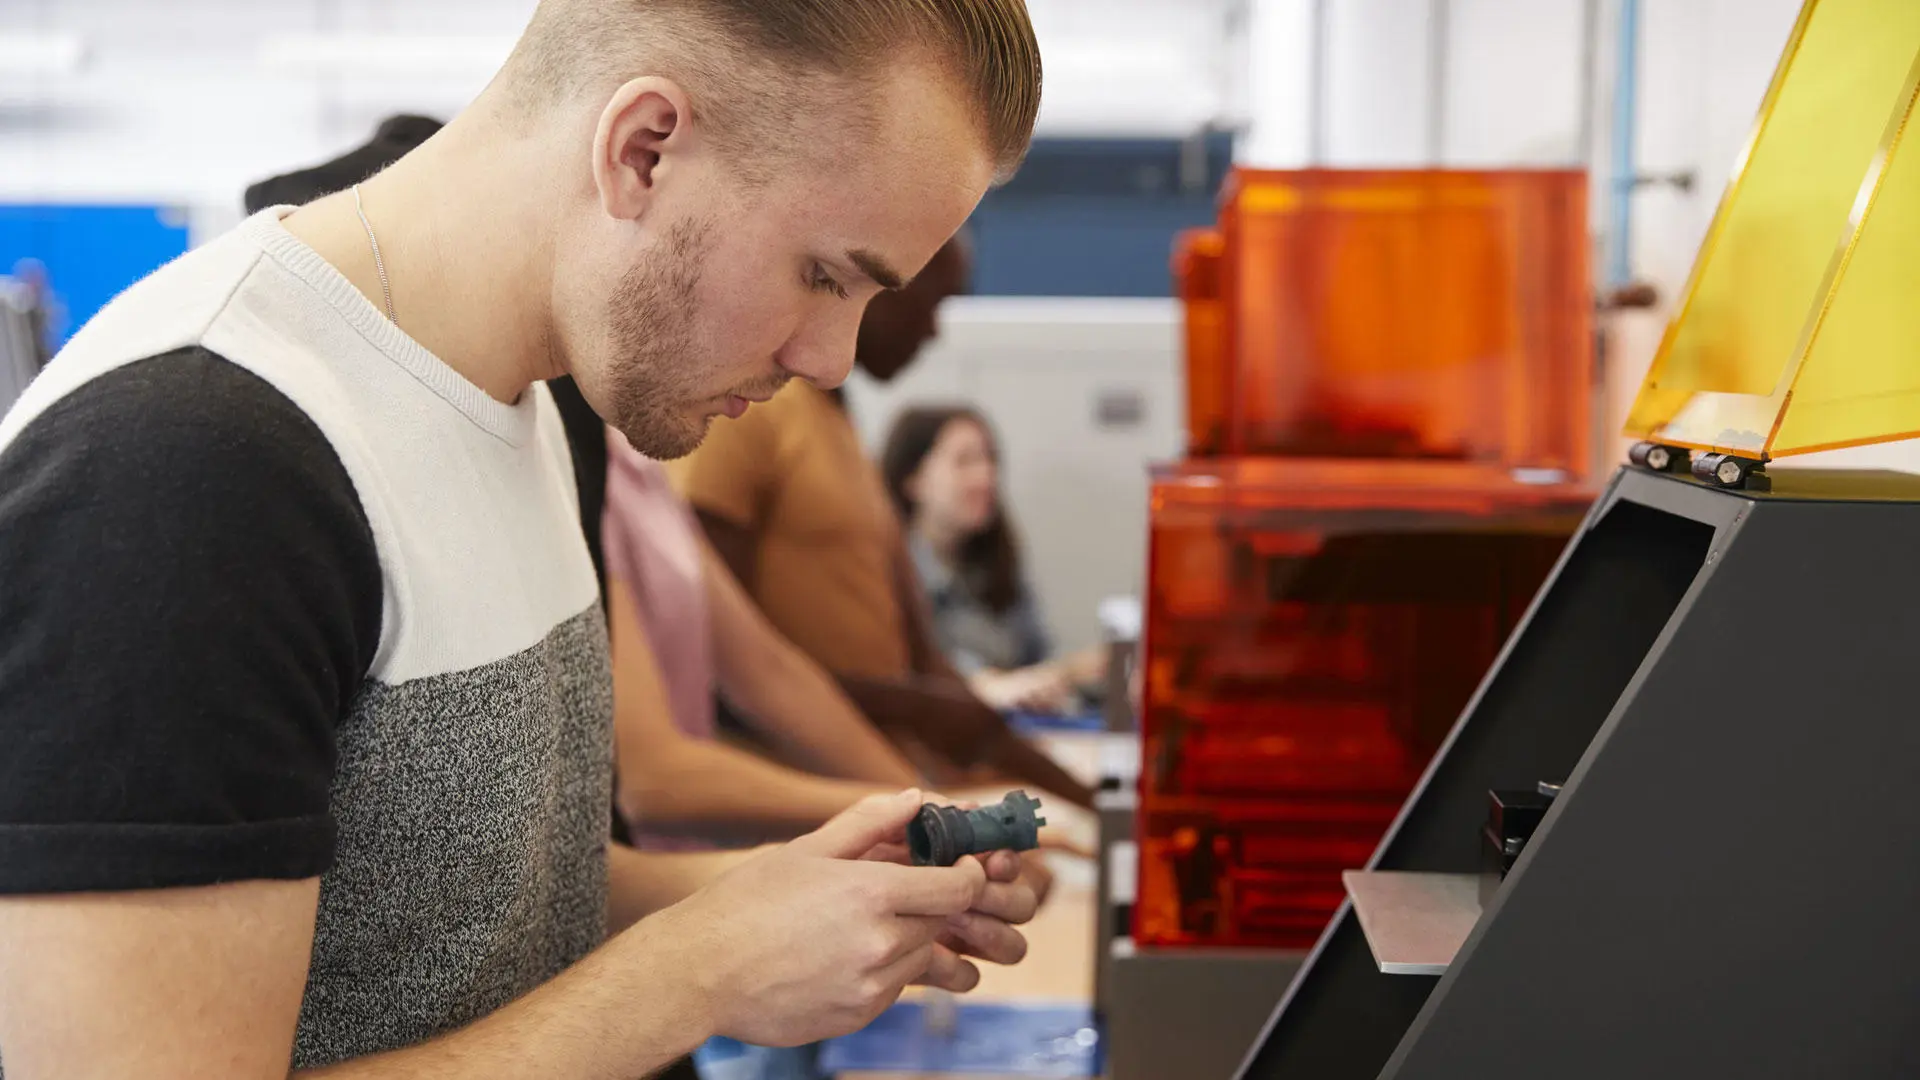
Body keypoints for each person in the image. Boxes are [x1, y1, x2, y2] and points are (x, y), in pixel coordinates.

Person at [0, 2, 1047, 1076]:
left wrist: (768, 896)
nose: (831, 358)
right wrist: (696, 974)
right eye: (825, 275)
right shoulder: (192, 471)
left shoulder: (542, 401)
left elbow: (489, 901)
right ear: (642, 151)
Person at [668, 239, 1096, 808]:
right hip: (788, 803)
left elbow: (929, 675)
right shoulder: (748, 415)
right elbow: (719, 662)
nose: (933, 331)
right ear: (876, 283)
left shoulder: (838, 427)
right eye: (931, 303)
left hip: (874, 789)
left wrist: (1079, 800)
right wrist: (917, 711)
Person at [602, 427, 923, 843]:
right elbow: (648, 777)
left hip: (679, 855)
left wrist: (921, 799)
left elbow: (768, 669)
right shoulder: (574, 463)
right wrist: (906, 811)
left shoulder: (635, 458)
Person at [880, 405, 1106, 714]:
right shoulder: (888, 570)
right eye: (964, 461)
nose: (985, 476)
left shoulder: (998, 566)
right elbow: (908, 675)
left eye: (989, 460)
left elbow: (1035, 659)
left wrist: (1076, 673)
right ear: (914, 480)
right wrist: (988, 685)